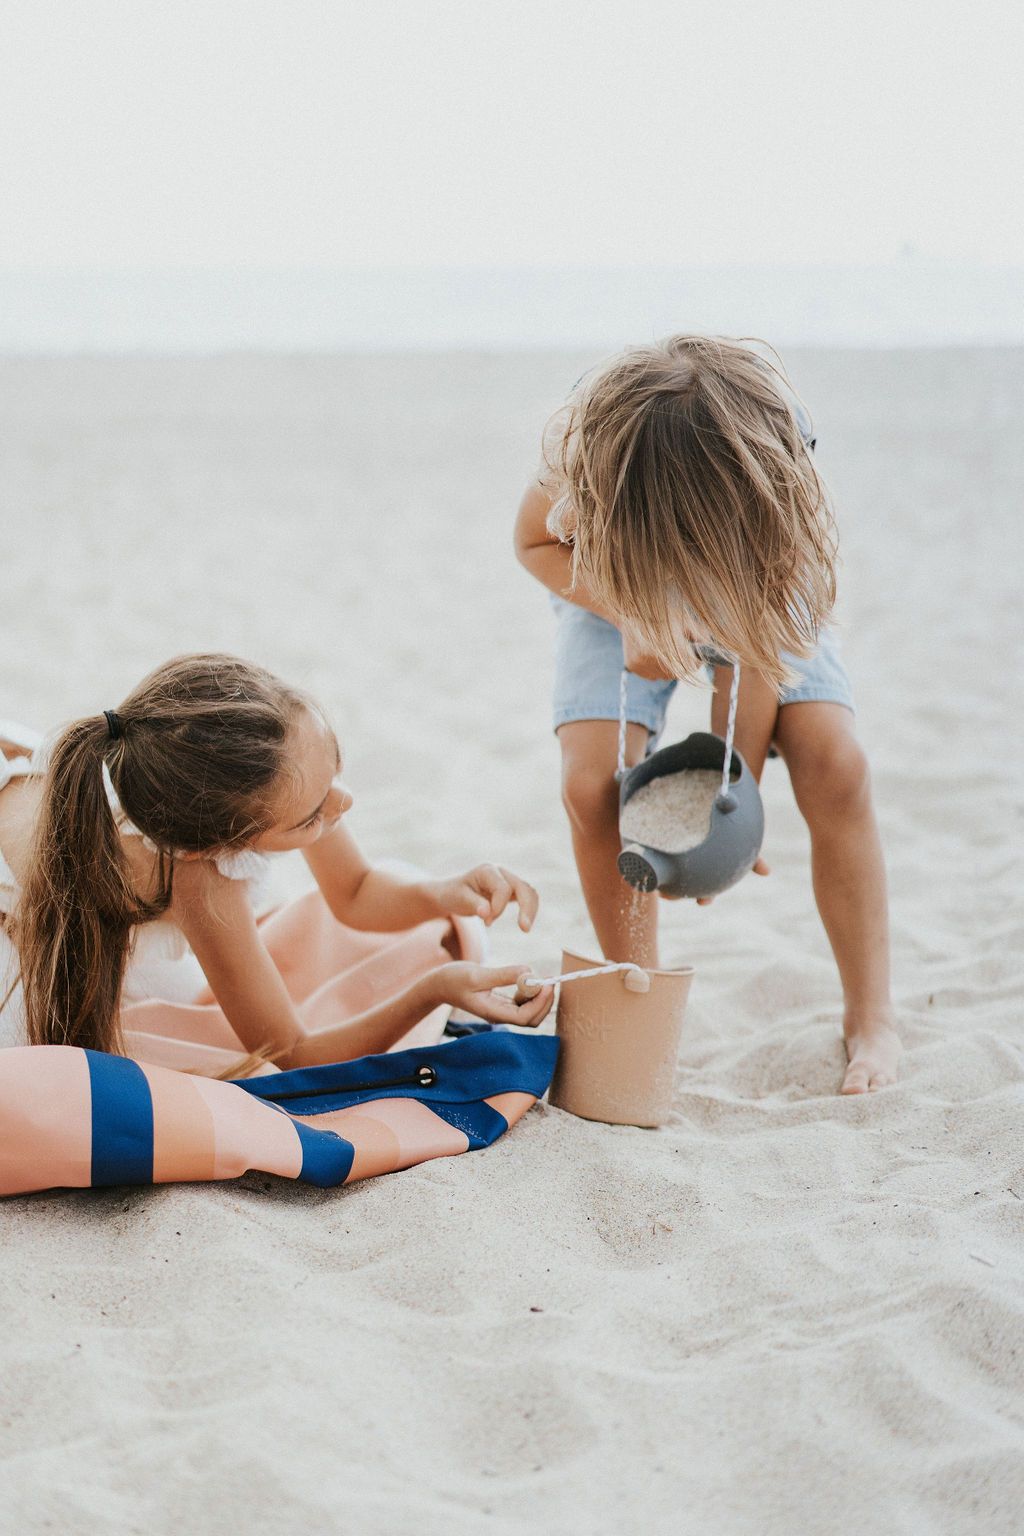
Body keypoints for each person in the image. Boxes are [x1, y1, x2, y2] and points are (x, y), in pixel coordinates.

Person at [513, 334, 898, 1094]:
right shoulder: (583, 453)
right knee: (591, 784)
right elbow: (533, 542)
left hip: (758, 586)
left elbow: (755, 658)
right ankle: (641, 987)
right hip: (608, 581)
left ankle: (872, 1014)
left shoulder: (773, 490)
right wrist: (632, 609)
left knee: (836, 763)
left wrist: (733, 799)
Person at [0, 654, 551, 1075]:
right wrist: (434, 989)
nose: (342, 803)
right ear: (218, 845)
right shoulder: (200, 878)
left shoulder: (272, 765)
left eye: (336, 768)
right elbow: (294, 1051)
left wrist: (444, 893)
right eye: (310, 819)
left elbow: (354, 890)